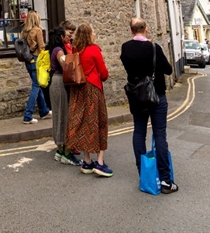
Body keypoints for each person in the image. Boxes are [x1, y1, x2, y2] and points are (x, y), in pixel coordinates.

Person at [120, 18, 176, 194]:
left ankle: (143, 172)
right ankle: (166, 181)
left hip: (137, 97)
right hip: (157, 96)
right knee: (160, 135)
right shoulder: (154, 48)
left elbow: (129, 66)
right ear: (146, 29)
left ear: (131, 31)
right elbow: (168, 70)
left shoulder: (126, 48)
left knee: (139, 132)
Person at [66, 23, 112, 177]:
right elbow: (104, 73)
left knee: (84, 123)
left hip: (78, 90)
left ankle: (87, 161)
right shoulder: (94, 50)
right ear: (90, 34)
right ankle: (99, 163)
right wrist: (103, 77)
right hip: (92, 89)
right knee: (99, 122)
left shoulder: (75, 49)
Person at [47, 25, 78, 166]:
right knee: (63, 115)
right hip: (60, 82)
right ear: (60, 37)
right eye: (65, 35)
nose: (68, 37)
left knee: (58, 115)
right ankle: (65, 152)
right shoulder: (59, 50)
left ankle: (59, 150)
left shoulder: (53, 49)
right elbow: (65, 64)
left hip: (55, 82)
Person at [22, 10, 51, 125]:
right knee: (36, 86)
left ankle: (44, 111)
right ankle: (27, 116)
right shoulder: (38, 30)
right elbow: (42, 47)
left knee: (36, 86)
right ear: (36, 19)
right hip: (36, 60)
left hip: (28, 61)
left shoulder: (23, 32)